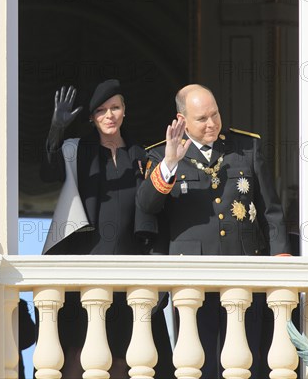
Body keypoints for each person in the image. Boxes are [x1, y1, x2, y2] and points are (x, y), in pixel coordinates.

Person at [136, 84, 290, 378]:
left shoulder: (246, 146)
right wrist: (170, 163)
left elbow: (271, 210)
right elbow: (147, 205)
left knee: (249, 358)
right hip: (192, 277)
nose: (211, 124)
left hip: (246, 269)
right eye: (201, 119)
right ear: (181, 120)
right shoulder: (160, 156)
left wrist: (280, 261)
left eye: (215, 114)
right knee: (198, 361)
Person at [40, 79, 174, 379]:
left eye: (114, 108)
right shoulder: (78, 150)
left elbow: (158, 212)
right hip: (82, 266)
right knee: (76, 355)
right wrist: (56, 129)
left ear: (124, 111)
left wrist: (160, 271)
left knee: (125, 358)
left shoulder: (142, 156)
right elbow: (48, 172)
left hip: (130, 268)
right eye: (101, 111)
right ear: (91, 117)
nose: (109, 115)